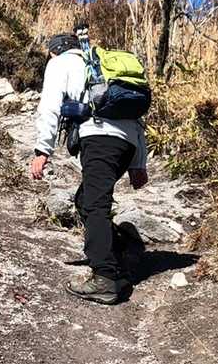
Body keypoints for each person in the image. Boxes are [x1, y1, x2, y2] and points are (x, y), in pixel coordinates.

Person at [29, 32, 149, 304]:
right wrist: (138, 163)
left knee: (95, 204)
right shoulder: (100, 65)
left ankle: (105, 277)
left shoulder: (61, 63)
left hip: (99, 139)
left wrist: (42, 150)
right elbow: (135, 118)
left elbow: (49, 106)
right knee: (85, 199)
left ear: (55, 51)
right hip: (127, 144)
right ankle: (119, 256)